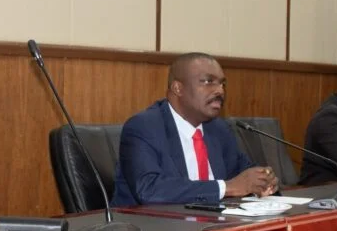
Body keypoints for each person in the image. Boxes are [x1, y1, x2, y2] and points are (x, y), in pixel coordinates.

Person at [111, 52, 277, 206]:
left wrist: (263, 180)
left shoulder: (218, 129)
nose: (220, 90)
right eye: (208, 81)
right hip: (149, 225)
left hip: (213, 222)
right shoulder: (144, 127)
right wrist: (227, 188)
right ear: (178, 88)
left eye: (222, 84)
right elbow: (148, 189)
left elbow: (242, 171)